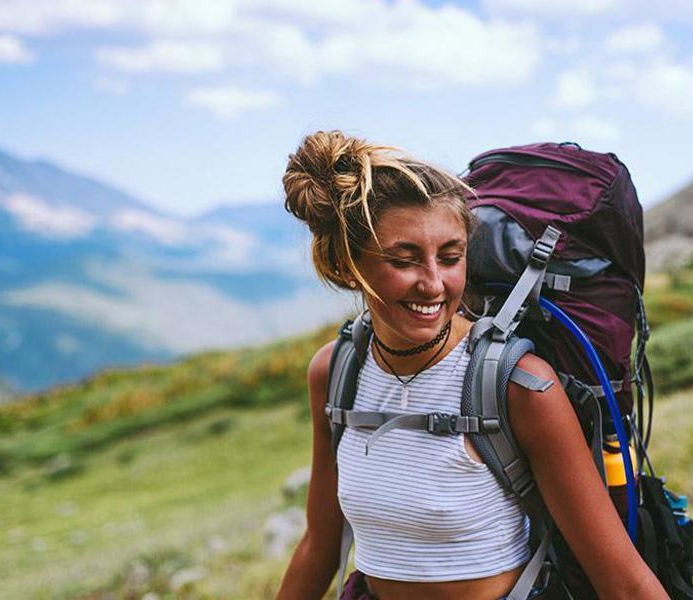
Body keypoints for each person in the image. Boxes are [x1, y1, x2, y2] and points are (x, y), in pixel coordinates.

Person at [276, 130, 669, 600]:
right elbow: (321, 546)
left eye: (451, 257)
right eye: (404, 260)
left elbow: (623, 583)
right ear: (345, 265)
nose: (434, 284)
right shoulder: (336, 371)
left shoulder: (518, 386)